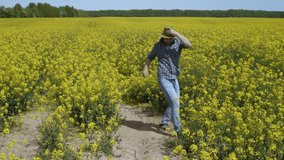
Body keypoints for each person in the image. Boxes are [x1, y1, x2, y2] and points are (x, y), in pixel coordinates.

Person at [143, 27, 192, 134]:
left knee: (173, 102)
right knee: (175, 103)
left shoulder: (178, 43)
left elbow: (189, 45)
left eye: (169, 38)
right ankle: (179, 130)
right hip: (163, 77)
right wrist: (146, 67)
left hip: (174, 77)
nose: (167, 40)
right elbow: (150, 57)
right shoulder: (158, 46)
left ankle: (164, 122)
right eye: (165, 38)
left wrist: (176, 33)